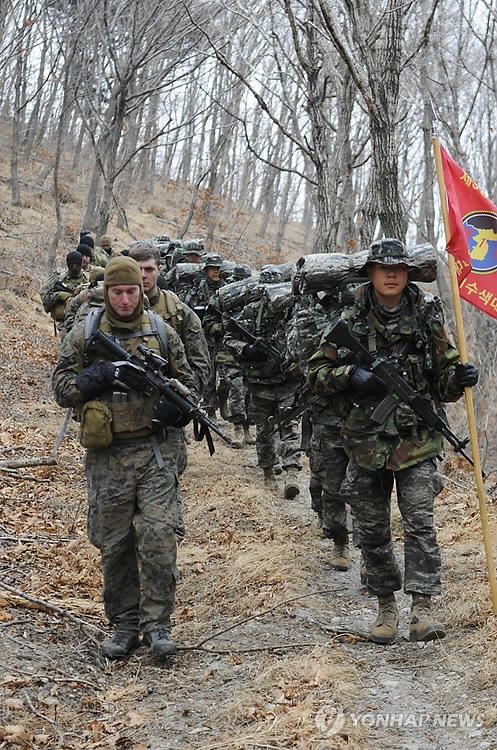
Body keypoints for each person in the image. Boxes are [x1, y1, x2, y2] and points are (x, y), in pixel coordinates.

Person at [308, 238, 478, 644]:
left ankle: (422, 609)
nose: (391, 275)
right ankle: (386, 606)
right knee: (372, 529)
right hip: (364, 442)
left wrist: (458, 379)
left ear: (407, 274)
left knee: (421, 523)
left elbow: (443, 374)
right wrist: (350, 376)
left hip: (417, 441)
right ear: (370, 272)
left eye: (398, 269)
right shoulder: (349, 320)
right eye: (383, 268)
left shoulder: (425, 317)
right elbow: (314, 373)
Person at [52, 256, 197, 659]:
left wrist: (178, 406)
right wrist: (101, 375)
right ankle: (125, 624)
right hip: (109, 453)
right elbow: (61, 388)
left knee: (159, 534)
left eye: (132, 290)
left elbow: (190, 383)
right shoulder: (85, 333)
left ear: (141, 290)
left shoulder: (163, 332)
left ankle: (158, 625)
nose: (125, 299)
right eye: (117, 291)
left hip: (156, 450)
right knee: (114, 543)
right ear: (107, 293)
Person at [40, 251, 89, 332]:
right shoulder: (59, 278)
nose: (74, 267)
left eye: (77, 265)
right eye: (71, 265)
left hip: (82, 322)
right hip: (63, 323)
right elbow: (45, 298)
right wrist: (58, 295)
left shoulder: (87, 279)